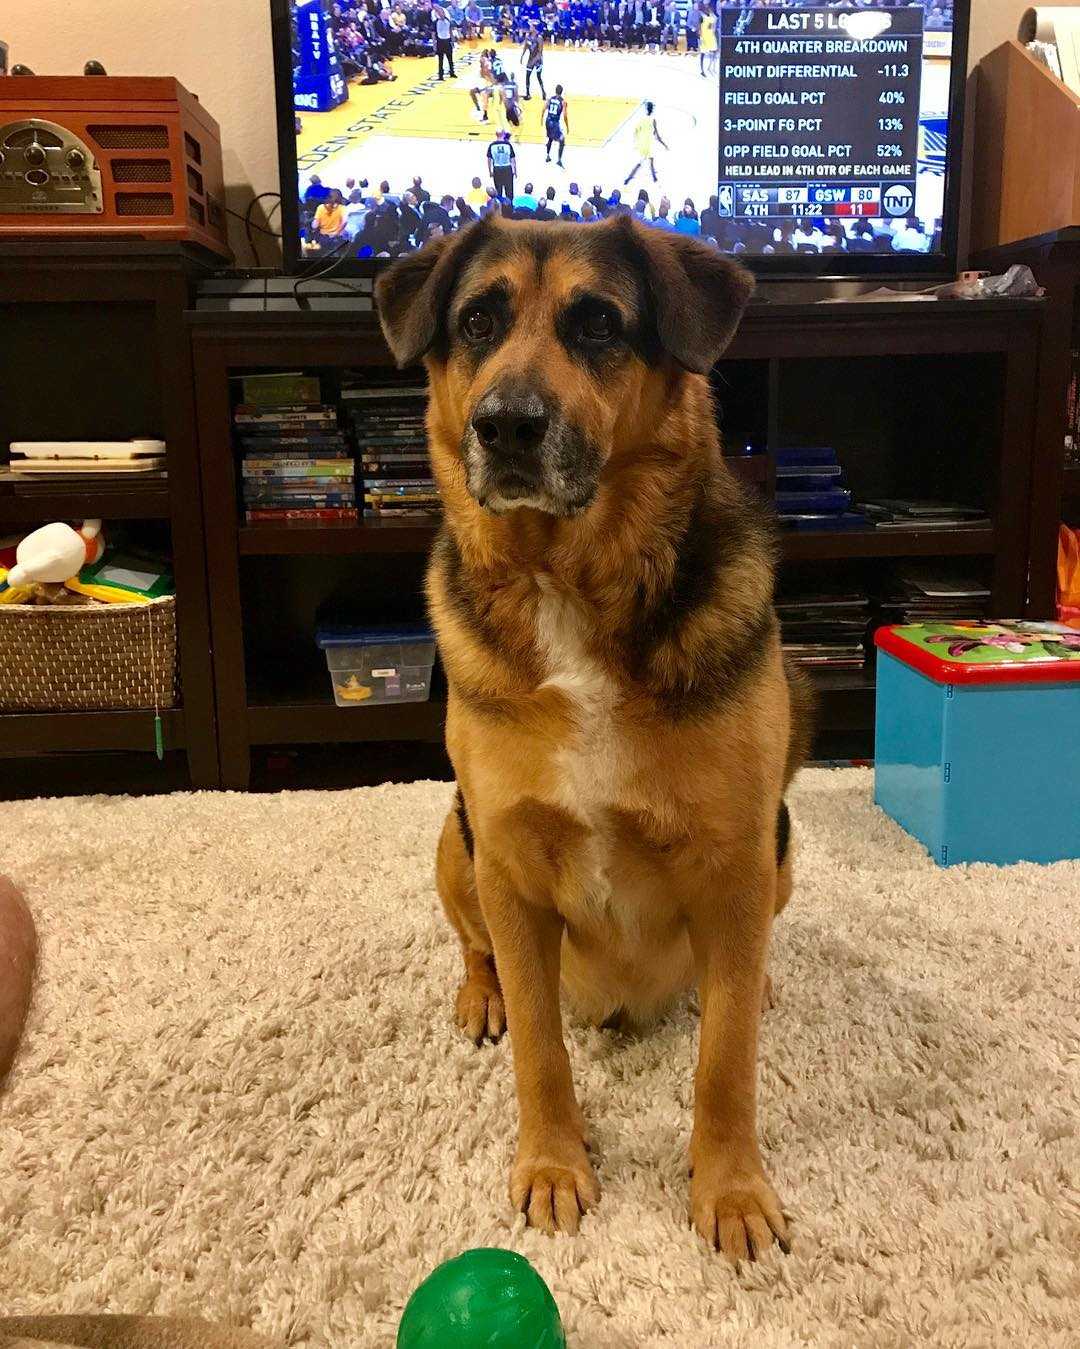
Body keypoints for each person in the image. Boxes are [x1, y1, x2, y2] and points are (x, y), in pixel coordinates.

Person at [624, 100, 668, 185]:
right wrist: (664, 145)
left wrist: (636, 142)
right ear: (652, 110)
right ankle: (655, 180)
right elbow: (657, 136)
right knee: (651, 161)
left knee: (640, 162)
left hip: (642, 143)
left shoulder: (642, 119)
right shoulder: (653, 120)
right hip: (649, 144)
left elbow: (635, 131)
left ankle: (628, 178)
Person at [544, 83, 569, 168]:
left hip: (548, 121)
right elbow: (565, 116)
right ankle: (559, 160)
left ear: (555, 91)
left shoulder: (550, 99)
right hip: (554, 123)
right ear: (562, 92)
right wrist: (567, 126)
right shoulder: (563, 102)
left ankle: (547, 156)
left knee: (550, 138)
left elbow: (544, 109)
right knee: (562, 140)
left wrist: (541, 118)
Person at [487, 129, 517, 200]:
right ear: (503, 134)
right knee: (509, 190)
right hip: (507, 168)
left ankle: (499, 206)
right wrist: (515, 171)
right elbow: (513, 159)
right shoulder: (508, 145)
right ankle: (509, 206)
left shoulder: (492, 145)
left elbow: (489, 160)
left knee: (498, 190)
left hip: (497, 168)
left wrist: (490, 171)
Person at [521, 24, 546, 100]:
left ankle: (543, 92)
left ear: (534, 28)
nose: (530, 29)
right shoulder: (528, 37)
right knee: (527, 76)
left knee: (539, 77)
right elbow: (525, 46)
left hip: (538, 60)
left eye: (531, 27)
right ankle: (528, 93)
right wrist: (522, 56)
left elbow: (540, 52)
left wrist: (534, 61)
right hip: (531, 58)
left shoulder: (539, 38)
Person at [434, 5, 456, 78]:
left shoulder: (448, 21)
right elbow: (433, 34)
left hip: (447, 40)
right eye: (439, 13)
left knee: (450, 59)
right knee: (440, 60)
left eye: (442, 12)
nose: (441, 14)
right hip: (440, 41)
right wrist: (434, 44)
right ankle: (440, 75)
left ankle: (452, 72)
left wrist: (452, 41)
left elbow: (450, 30)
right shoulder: (436, 22)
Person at [699, 3, 717, 77]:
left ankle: (711, 67)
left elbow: (714, 25)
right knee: (703, 53)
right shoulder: (702, 17)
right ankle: (702, 70)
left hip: (710, 36)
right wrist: (700, 37)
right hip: (704, 37)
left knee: (714, 52)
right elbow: (699, 27)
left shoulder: (712, 17)